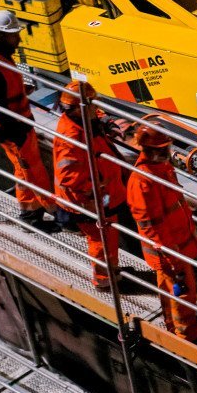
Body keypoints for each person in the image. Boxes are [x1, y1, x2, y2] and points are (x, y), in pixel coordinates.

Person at [0, 9, 54, 229]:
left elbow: (4, 94)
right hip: (12, 130)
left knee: (23, 170)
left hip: (18, 125)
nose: (18, 38)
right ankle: (57, 214)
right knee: (33, 172)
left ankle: (30, 215)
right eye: (14, 34)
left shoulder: (0, 58)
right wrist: (17, 135)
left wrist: (21, 90)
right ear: (1, 35)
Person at [127, 126, 197, 341]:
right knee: (182, 292)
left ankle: (174, 324)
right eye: (162, 149)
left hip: (177, 245)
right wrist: (173, 257)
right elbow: (153, 227)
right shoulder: (143, 181)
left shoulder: (161, 169)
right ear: (148, 150)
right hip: (169, 251)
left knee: (170, 289)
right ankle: (188, 334)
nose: (166, 152)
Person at [52, 79, 124, 293]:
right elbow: (68, 175)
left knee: (107, 238)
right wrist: (95, 190)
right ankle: (104, 279)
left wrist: (107, 122)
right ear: (80, 107)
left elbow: (95, 122)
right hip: (89, 201)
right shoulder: (72, 137)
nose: (97, 108)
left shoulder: (80, 121)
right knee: (101, 240)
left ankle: (111, 271)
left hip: (100, 196)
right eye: (93, 104)